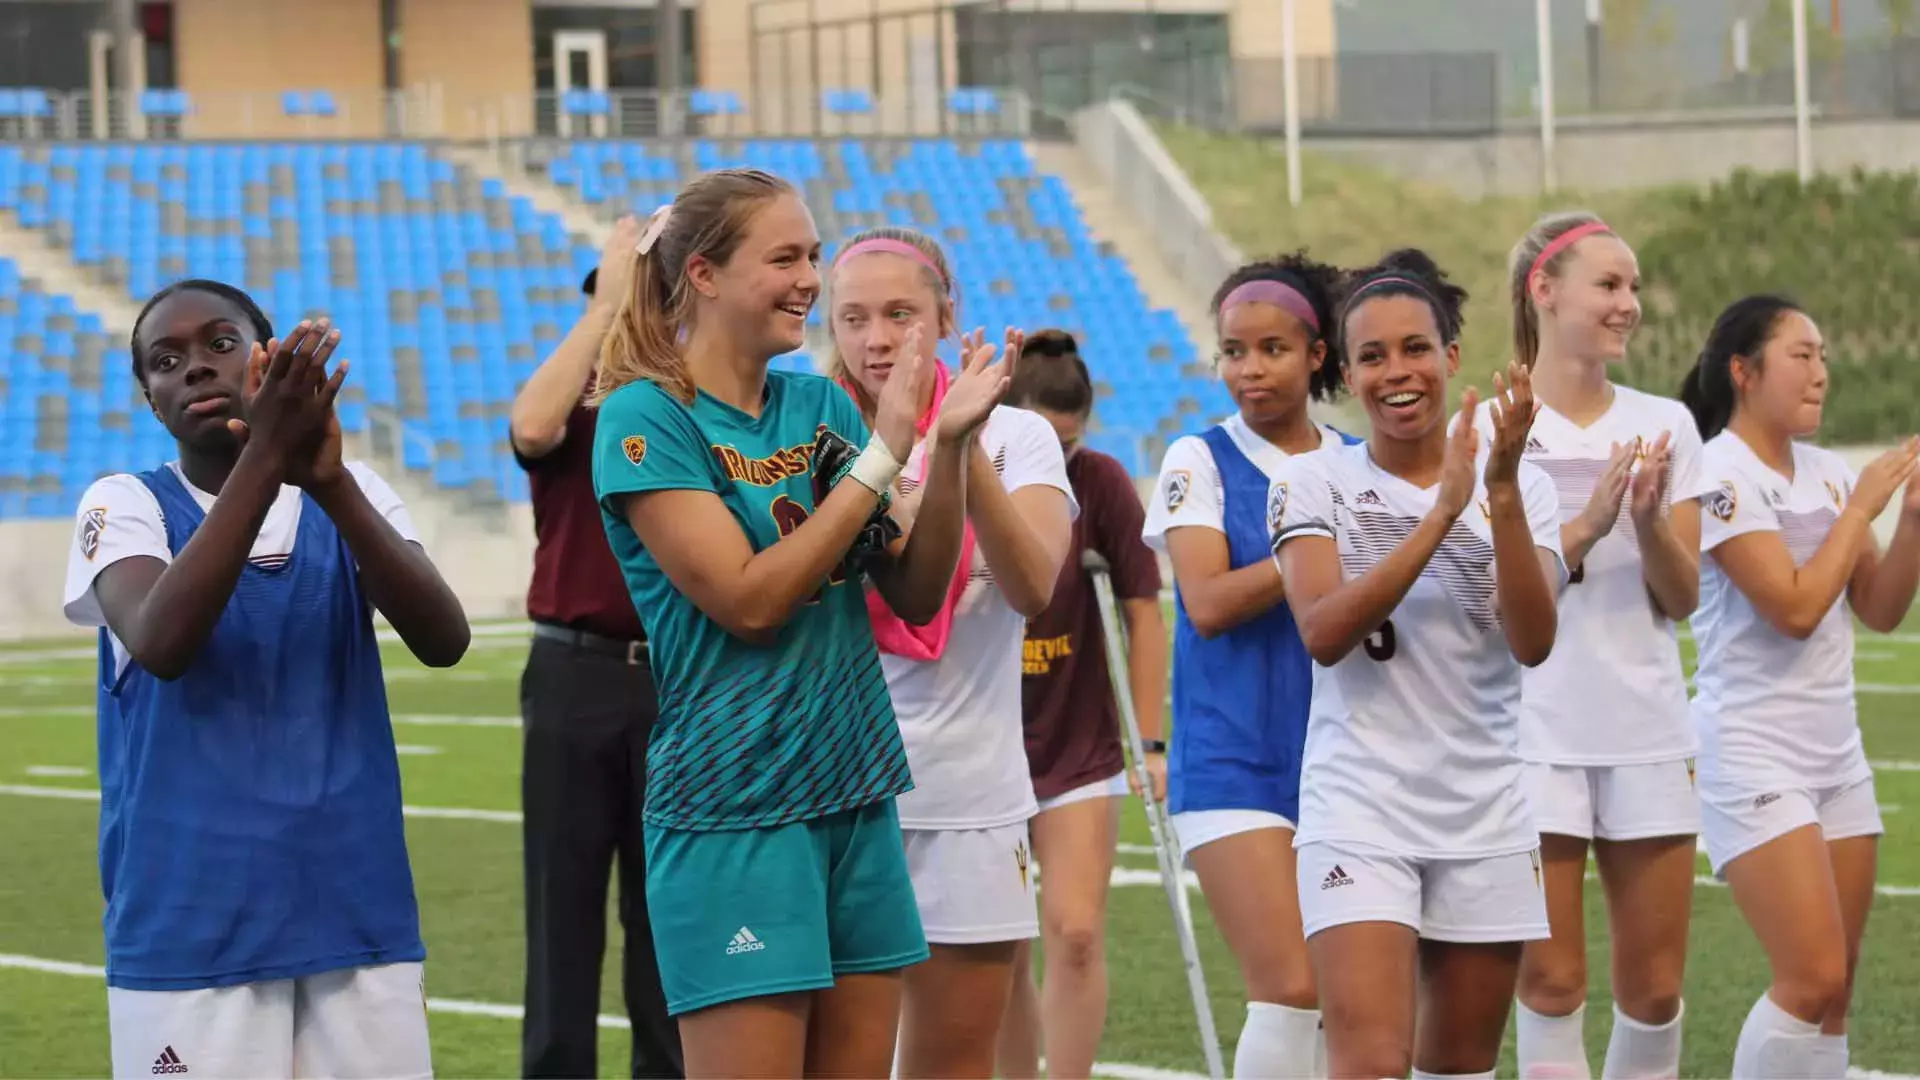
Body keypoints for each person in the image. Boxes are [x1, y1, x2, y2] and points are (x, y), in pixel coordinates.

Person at [588, 169, 1006, 1079]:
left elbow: (919, 590)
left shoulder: (816, 408)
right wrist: (886, 452)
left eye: (813, 255)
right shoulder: (645, 417)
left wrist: (953, 448)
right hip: (735, 808)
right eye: (784, 257)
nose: (810, 279)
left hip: (854, 790)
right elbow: (749, 601)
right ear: (702, 275)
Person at [61, 280, 471, 1080]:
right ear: (149, 400)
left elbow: (444, 638)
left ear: (269, 357)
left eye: (220, 345)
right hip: (193, 923)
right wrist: (268, 456)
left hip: (356, 910)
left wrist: (326, 481)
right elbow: (162, 640)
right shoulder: (123, 504)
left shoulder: (349, 491)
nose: (195, 370)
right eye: (166, 361)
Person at [1270, 249, 1564, 1080]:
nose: (1397, 372)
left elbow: (1533, 641)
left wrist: (1497, 495)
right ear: (1346, 373)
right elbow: (1322, 630)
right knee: (1368, 1064)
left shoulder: (1524, 487)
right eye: (1372, 356)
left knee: (1460, 1069)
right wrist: (1440, 513)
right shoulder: (1311, 479)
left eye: (1415, 349)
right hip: (1359, 808)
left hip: (1486, 811)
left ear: (1451, 359)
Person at [823, 224, 1076, 1079]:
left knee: (950, 1065)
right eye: (853, 318)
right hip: (833, 798)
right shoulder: (803, 435)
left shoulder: (1017, 437)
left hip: (969, 796)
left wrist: (958, 445)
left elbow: (1034, 586)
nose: (877, 338)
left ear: (945, 315)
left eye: (901, 313)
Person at [1679, 295, 1920, 1079]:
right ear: (1744, 373)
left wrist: (1911, 517)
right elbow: (1790, 607)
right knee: (1808, 976)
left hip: (1835, 754)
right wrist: (1864, 509)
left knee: (1837, 989)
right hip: (1753, 753)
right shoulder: (1719, 472)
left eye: (1822, 355)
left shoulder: (1827, 473)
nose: (1822, 372)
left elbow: (1877, 610)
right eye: (1802, 355)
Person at [1497, 213, 1711, 1080]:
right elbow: (1499, 604)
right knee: (1550, 983)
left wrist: (1653, 520)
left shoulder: (1667, 424)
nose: (1630, 304)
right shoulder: (1492, 430)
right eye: (1609, 286)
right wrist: (1584, 528)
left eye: (1632, 287)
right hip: (1530, 736)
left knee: (1655, 991)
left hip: (1647, 729)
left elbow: (1683, 598)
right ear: (1544, 292)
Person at [1140, 252, 1356, 1079]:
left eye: (1272, 348)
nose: (1250, 369)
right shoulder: (1198, 458)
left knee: (1352, 997)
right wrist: (1313, 544)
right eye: (1235, 350)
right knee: (1291, 987)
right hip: (1232, 761)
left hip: (1344, 760)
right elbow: (1206, 602)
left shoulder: (1354, 459)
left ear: (1317, 355)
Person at [506, 213, 685, 1079]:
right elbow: (530, 430)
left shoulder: (691, 405)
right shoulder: (573, 406)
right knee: (562, 909)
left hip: (679, 679)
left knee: (669, 915)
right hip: (573, 669)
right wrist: (600, 310)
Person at [995, 329, 1168, 1080]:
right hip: (986, 742)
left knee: (1074, 932)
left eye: (1071, 443)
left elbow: (1143, 611)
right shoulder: (973, 469)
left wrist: (1151, 746)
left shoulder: (1101, 484)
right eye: (1047, 443)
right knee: (997, 946)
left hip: (1078, 741)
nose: (1060, 459)